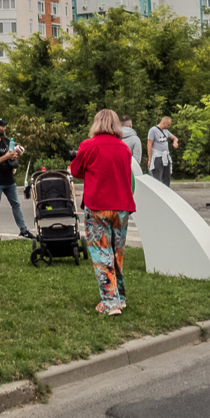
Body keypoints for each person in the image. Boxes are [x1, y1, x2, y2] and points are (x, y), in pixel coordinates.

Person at [70, 109, 137, 316]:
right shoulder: (124, 148)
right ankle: (120, 296)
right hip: (122, 206)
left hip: (98, 205)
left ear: (96, 123)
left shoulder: (88, 145)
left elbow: (76, 170)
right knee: (117, 253)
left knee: (101, 253)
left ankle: (110, 302)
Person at [0, 118, 31, 241]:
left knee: (16, 204)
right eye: (2, 126)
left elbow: (11, 155)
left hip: (9, 179)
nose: (5, 128)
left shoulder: (6, 141)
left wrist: (15, 154)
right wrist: (6, 156)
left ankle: (23, 230)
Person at [146, 116, 179, 186]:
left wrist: (175, 142)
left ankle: (166, 191)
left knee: (167, 177)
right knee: (157, 177)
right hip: (158, 156)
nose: (169, 126)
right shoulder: (153, 130)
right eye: (168, 125)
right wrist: (150, 159)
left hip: (166, 157)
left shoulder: (166, 131)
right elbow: (149, 144)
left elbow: (175, 138)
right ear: (164, 123)